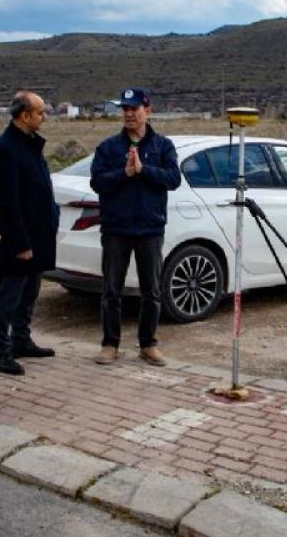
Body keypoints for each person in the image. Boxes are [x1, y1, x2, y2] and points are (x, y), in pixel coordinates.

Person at [90, 88, 181, 366]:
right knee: (111, 291)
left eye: (134, 109)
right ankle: (110, 344)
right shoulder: (108, 147)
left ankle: (148, 344)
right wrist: (125, 173)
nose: (129, 114)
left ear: (147, 111)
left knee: (151, 292)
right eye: (125, 109)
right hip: (116, 229)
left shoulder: (162, 146)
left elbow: (173, 179)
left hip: (149, 230)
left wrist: (143, 170)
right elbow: (98, 183)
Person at [0, 91, 59, 376]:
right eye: (40, 112)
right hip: (21, 238)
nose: (45, 117)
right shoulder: (5, 149)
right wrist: (21, 242)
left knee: (30, 291)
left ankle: (21, 339)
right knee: (8, 296)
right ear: (24, 115)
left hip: (39, 234)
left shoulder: (30, 145)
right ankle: (1, 350)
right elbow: (8, 202)